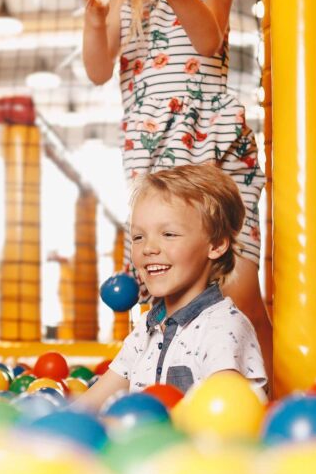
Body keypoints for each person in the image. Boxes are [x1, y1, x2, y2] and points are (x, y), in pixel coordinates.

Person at [68, 0, 273, 381]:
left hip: (215, 150)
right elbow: (98, 69)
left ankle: (268, 393)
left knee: (240, 290)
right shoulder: (124, 4)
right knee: (166, 292)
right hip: (158, 157)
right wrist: (95, 20)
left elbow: (208, 39)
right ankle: (169, 385)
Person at [74, 165, 267, 412]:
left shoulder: (222, 328)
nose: (148, 248)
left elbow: (228, 415)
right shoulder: (146, 330)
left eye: (168, 234)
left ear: (216, 244)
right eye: (138, 237)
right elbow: (89, 404)